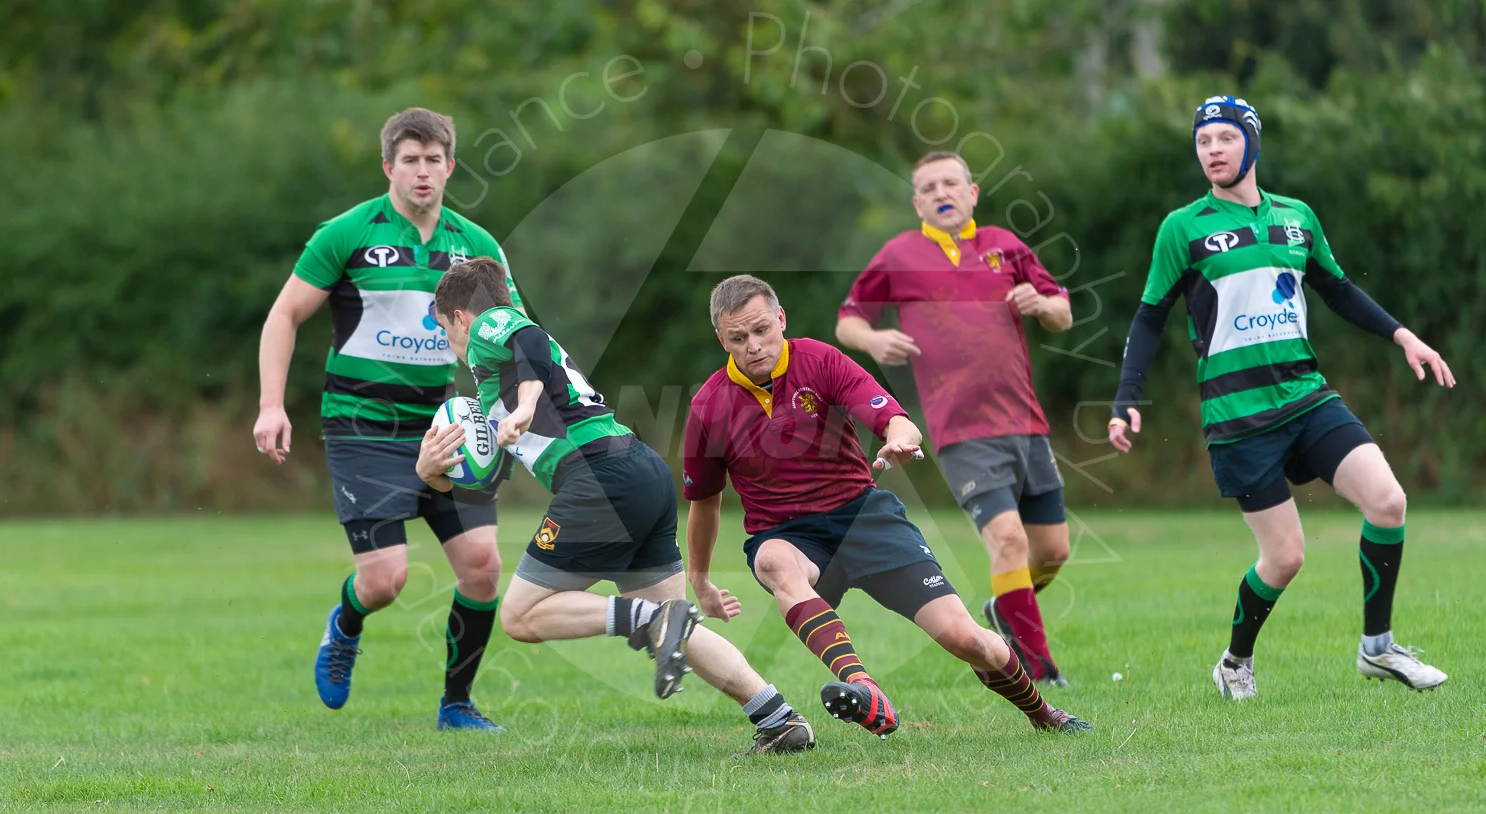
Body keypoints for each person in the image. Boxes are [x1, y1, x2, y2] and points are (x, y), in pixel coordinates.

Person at [1109, 95, 1455, 700]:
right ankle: (1235, 662)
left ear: (1252, 144)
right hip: (1239, 417)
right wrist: (1126, 398)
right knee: (1286, 557)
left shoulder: (1296, 218)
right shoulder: (1182, 228)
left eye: (1224, 139)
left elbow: (1339, 290)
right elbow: (1147, 319)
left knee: (1388, 501)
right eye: (1202, 142)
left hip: (1308, 398)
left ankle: (1379, 650)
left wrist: (1405, 337)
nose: (1212, 151)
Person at [416, 257, 817, 756]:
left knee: (521, 617)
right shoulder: (493, 380)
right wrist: (430, 471)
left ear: (459, 316)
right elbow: (484, 480)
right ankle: (779, 720)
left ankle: (646, 619)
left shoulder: (490, 324)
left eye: (442, 327)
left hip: (598, 479)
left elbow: (531, 343)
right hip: (636, 470)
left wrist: (521, 407)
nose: (447, 341)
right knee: (676, 625)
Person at [683, 274, 1090, 739]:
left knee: (965, 638)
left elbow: (896, 420)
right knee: (774, 560)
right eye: (738, 338)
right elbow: (704, 502)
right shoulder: (708, 405)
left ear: (780, 319)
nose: (753, 346)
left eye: (761, 331)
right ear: (722, 339)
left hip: (864, 517)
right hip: (789, 536)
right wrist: (699, 579)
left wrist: (899, 441)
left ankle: (1043, 713)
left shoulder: (820, 360)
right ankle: (864, 687)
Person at [253, 108, 523, 730]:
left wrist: (524, 407)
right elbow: (284, 316)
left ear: (450, 166)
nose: (422, 171)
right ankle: (345, 624)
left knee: (483, 568)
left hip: (444, 423)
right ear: (388, 167)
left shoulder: (476, 247)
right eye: (410, 159)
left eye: (434, 159)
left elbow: (512, 334)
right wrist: (271, 404)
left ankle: (456, 705)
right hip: (361, 426)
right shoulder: (346, 234)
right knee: (385, 581)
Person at [835, 151, 1075, 685]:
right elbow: (849, 321)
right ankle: (1036, 666)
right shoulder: (899, 255)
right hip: (961, 431)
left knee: (1053, 551)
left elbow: (1063, 313)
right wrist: (874, 339)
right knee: (1008, 541)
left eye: (952, 182)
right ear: (917, 201)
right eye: (929, 186)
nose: (942, 191)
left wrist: (1041, 303)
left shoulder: (1005, 246)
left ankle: (1004, 608)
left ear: (973, 192)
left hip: (1026, 423)